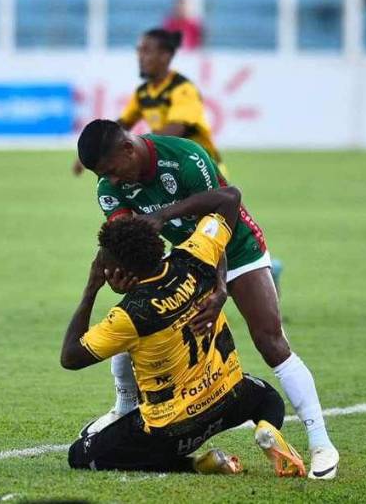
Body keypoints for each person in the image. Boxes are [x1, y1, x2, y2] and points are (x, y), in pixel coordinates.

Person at [74, 119, 339, 480]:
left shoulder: (186, 159)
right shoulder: (110, 187)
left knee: (270, 341)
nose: (111, 180)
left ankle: (321, 444)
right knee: (135, 320)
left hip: (235, 246)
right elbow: (127, 243)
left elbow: (222, 214)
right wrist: (123, 279)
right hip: (186, 254)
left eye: (111, 170)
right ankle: (124, 407)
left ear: (127, 149)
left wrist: (220, 289)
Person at [61, 186, 305, 477]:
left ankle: (193, 464)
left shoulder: (129, 315)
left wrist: (91, 290)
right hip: (228, 398)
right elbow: (229, 198)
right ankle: (265, 429)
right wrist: (221, 287)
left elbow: (71, 357)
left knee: (80, 454)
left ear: (119, 272)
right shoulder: (194, 256)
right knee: (268, 399)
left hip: (173, 430)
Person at [71, 27, 226, 178]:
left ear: (165, 56)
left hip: (204, 166)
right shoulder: (143, 92)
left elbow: (175, 130)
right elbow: (121, 125)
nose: (140, 56)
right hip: (174, 165)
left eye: (146, 51)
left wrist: (134, 146)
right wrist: (97, 148)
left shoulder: (183, 89)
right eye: (139, 51)